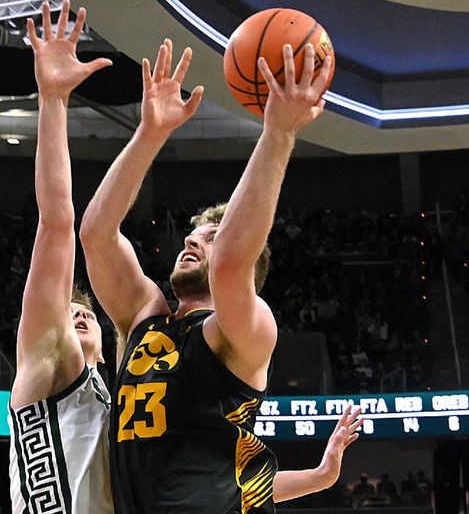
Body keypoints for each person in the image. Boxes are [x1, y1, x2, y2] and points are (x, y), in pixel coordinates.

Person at [80, 39, 336, 512]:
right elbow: (96, 233)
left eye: (211, 235)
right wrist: (149, 133)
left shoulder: (246, 331)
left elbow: (232, 263)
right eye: (192, 235)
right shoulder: (145, 315)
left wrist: (277, 134)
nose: (191, 241)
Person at [7, 0, 114, 513]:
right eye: (69, 313)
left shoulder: (120, 405)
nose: (76, 314)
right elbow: (56, 223)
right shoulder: (50, 358)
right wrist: (53, 101)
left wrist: (319, 477)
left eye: (86, 312)